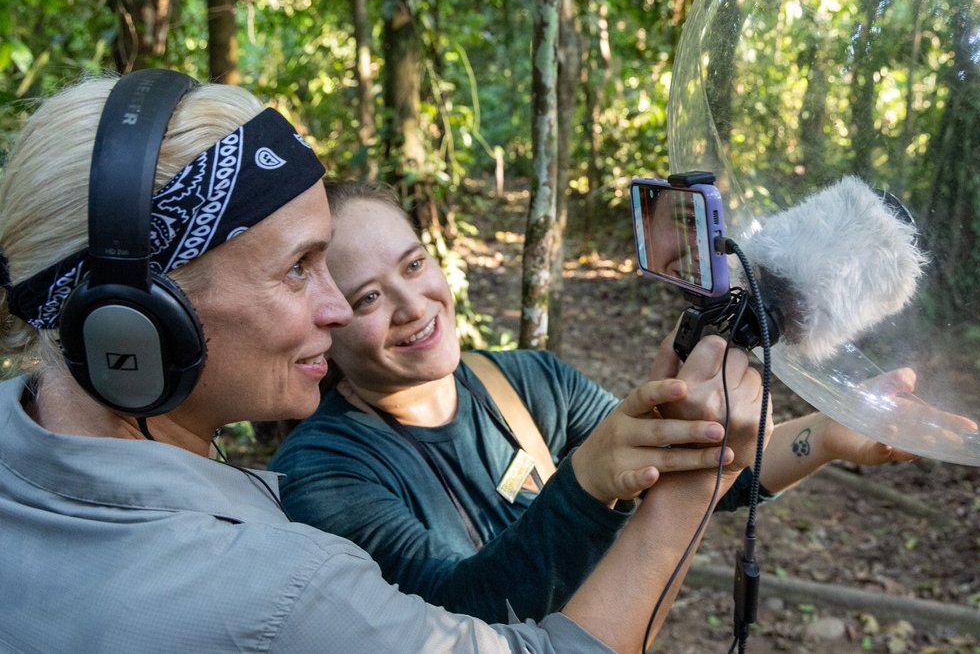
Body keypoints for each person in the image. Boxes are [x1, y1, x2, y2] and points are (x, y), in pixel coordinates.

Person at [0, 72, 765, 653]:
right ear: (132, 325)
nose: (335, 311)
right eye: (300, 268)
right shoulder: (276, 588)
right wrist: (693, 486)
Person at [269, 179, 929, 624]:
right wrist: (587, 480)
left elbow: (708, 481)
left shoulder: (526, 382)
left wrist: (830, 434)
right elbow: (452, 613)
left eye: (414, 266)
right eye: (369, 297)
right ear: (326, 316)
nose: (415, 307)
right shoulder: (321, 470)